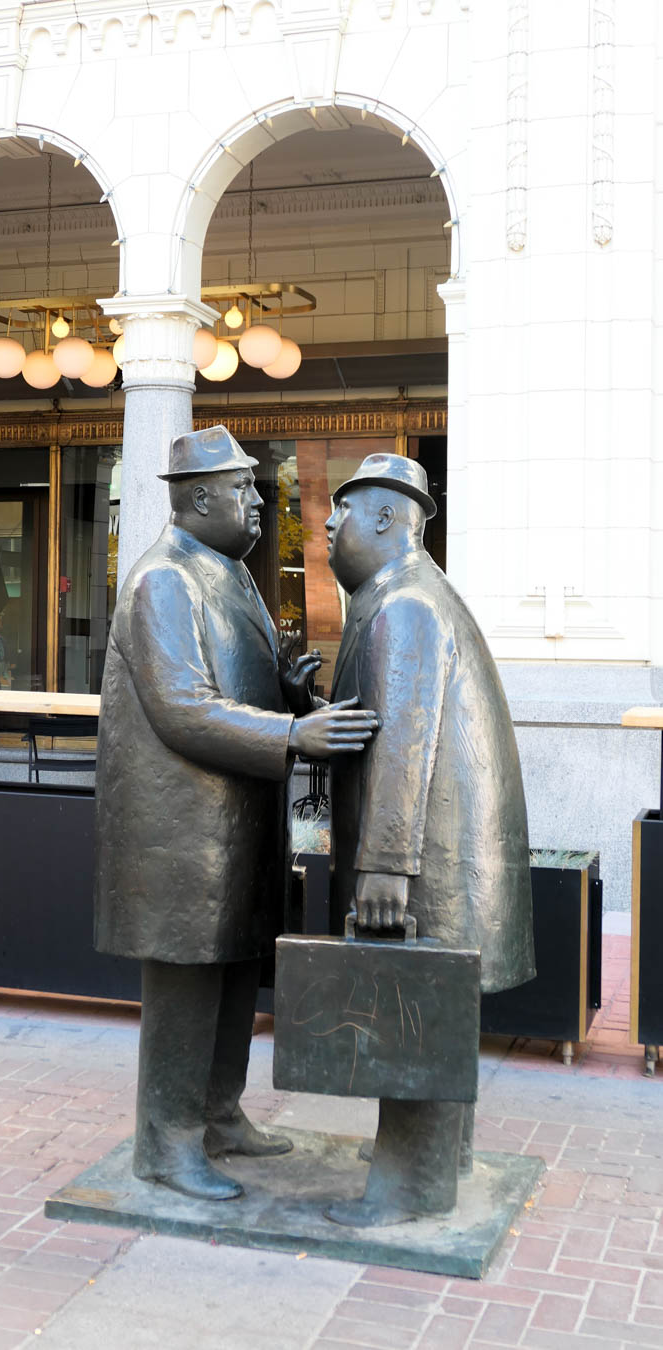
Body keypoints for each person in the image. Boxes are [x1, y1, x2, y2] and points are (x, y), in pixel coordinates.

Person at [94, 425, 378, 1202]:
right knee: (188, 989)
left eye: (255, 485)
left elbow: (228, 690)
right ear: (196, 498)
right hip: (182, 835)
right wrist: (294, 732)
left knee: (234, 974)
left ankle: (219, 1116)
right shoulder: (162, 581)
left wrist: (287, 689)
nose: (258, 500)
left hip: (240, 826)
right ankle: (167, 1142)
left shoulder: (230, 574)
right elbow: (183, 709)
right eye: (244, 489)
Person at [323, 452, 535, 1228]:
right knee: (437, 1012)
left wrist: (384, 866)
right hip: (442, 858)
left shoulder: (404, 604)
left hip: (423, 864)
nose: (326, 523)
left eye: (340, 510)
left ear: (384, 516)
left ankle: (409, 1186)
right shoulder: (409, 597)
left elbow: (405, 742)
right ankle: (442, 1160)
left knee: (412, 1009)